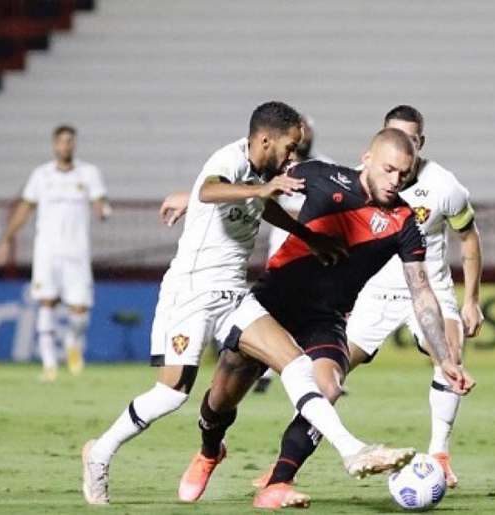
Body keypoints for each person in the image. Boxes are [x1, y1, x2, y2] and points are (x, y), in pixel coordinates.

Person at [81, 101, 415, 506]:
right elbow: (210, 189)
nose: (293, 156)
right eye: (290, 147)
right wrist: (240, 191)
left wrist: (306, 235)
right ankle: (99, 452)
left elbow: (263, 204)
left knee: (296, 365)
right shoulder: (230, 159)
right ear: (265, 140)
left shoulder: (264, 174)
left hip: (234, 296)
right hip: (190, 293)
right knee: (172, 394)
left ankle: (352, 450)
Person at [179, 127, 475, 509]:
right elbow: (257, 186)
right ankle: (208, 452)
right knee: (221, 398)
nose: (395, 181)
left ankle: (278, 483)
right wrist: (189, 200)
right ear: (366, 159)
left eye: (404, 174)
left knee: (328, 387)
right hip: (272, 304)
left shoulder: (404, 222)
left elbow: (421, 292)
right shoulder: (322, 176)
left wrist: (445, 358)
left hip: (326, 318)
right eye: (388, 170)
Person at [346, 105, 484, 487]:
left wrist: (471, 299)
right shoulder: (364, 181)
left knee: (450, 359)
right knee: (328, 372)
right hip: (374, 293)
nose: (404, 144)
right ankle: (284, 468)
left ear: (421, 142)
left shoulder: (444, 186)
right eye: (396, 135)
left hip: (431, 289)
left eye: (412, 138)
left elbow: (469, 237)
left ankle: (439, 454)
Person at [0, 125, 110, 382]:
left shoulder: (89, 173)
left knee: (79, 310)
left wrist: (103, 210)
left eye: (70, 141)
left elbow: (100, 203)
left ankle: (72, 344)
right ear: (54, 145)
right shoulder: (41, 175)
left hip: (77, 253)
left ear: (74, 144)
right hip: (47, 252)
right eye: (61, 142)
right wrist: (6, 239)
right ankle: (49, 365)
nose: (66, 146)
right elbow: (25, 209)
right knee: (46, 302)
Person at [255, 115, 331, 394]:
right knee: (272, 310)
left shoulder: (326, 165)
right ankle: (262, 368)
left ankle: (322, 370)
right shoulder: (278, 168)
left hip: (314, 251)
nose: (305, 135)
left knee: (314, 310)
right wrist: (300, 219)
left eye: (308, 130)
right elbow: (265, 203)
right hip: (284, 249)